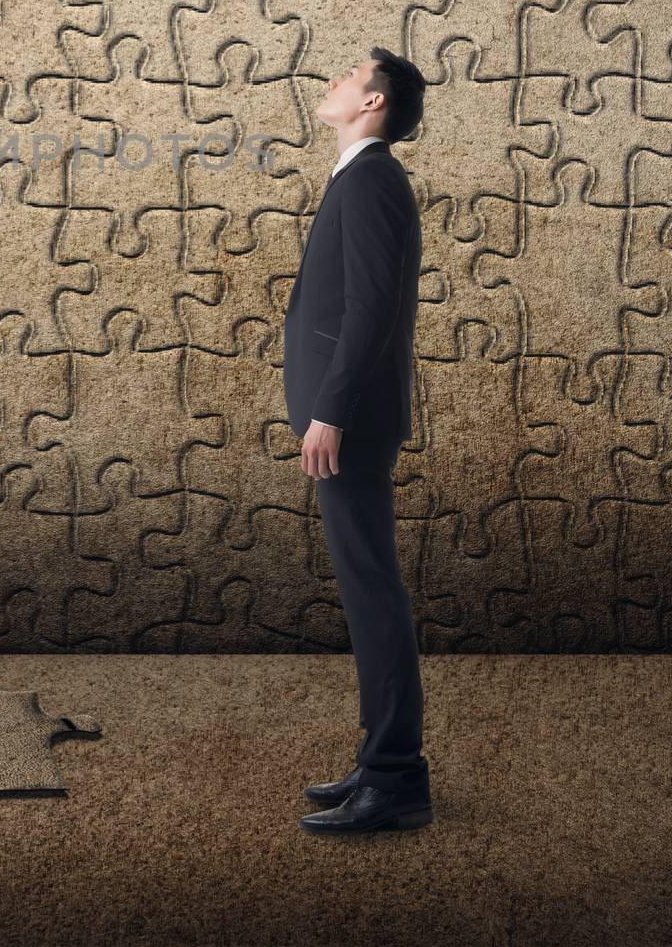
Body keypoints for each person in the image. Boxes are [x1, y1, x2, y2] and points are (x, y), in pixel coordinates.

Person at [284, 46, 431, 834]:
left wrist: (331, 409)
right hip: (345, 416)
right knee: (368, 588)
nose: (333, 82)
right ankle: (382, 763)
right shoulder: (358, 175)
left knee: (373, 590)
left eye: (347, 76)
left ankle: (397, 777)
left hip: (352, 422)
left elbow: (372, 309)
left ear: (372, 103)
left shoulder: (373, 179)